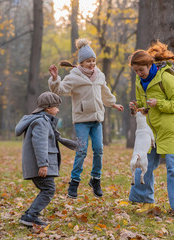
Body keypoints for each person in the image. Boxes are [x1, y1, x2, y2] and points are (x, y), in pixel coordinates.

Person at [48, 38, 124, 199]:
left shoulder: (99, 75)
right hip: (82, 120)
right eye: (88, 61)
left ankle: (95, 179)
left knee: (99, 150)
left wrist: (113, 104)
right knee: (81, 151)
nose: (92, 64)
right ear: (81, 63)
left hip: (97, 120)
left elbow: (105, 92)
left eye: (93, 60)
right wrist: (55, 79)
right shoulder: (74, 76)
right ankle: (74, 183)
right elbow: (59, 90)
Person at [128, 41, 174, 216]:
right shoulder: (139, 81)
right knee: (142, 164)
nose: (139, 74)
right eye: (135, 71)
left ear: (150, 65)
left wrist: (159, 103)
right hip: (150, 131)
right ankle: (145, 201)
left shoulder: (166, 78)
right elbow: (143, 104)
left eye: (141, 70)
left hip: (171, 129)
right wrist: (136, 107)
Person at [15, 92, 79, 226]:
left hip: (40, 165)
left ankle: (29, 215)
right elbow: (40, 144)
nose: (58, 109)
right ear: (48, 108)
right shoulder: (41, 122)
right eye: (56, 106)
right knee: (49, 190)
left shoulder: (42, 121)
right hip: (41, 166)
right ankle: (30, 216)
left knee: (47, 189)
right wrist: (43, 164)